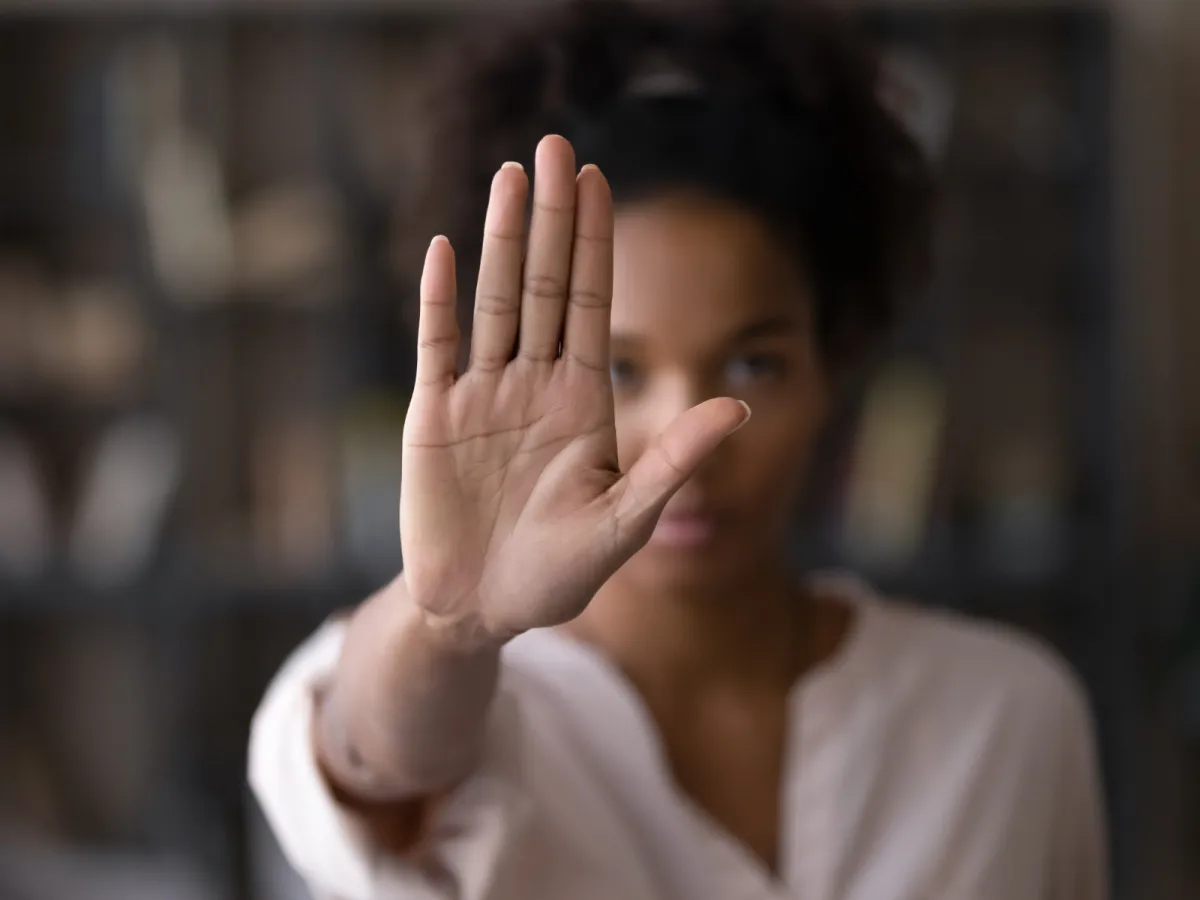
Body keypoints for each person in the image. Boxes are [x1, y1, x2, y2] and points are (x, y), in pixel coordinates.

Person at [248, 1, 1108, 898]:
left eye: (753, 362)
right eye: (618, 369)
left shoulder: (1008, 721)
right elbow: (374, 757)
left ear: (835, 365)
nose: (684, 445)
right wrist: (449, 626)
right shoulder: (446, 683)